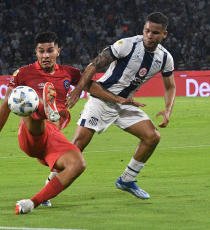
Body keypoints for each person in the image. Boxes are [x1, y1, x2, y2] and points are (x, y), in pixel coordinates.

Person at [0, 32, 144, 215]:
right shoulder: (24, 74)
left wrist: (118, 99)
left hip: (53, 136)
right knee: (25, 98)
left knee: (78, 164)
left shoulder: (68, 72)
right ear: (36, 52)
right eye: (41, 51)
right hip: (30, 134)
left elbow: (91, 86)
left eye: (50, 51)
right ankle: (43, 108)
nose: (45, 55)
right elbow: (6, 105)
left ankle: (32, 203)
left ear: (58, 51)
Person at [64, 12, 176, 199]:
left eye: (155, 33)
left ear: (164, 34)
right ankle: (49, 186)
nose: (149, 35)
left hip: (125, 104)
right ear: (143, 29)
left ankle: (126, 180)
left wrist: (168, 110)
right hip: (101, 100)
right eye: (147, 30)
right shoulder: (127, 45)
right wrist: (78, 90)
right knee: (78, 145)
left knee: (152, 137)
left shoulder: (164, 58)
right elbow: (94, 64)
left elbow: (170, 86)